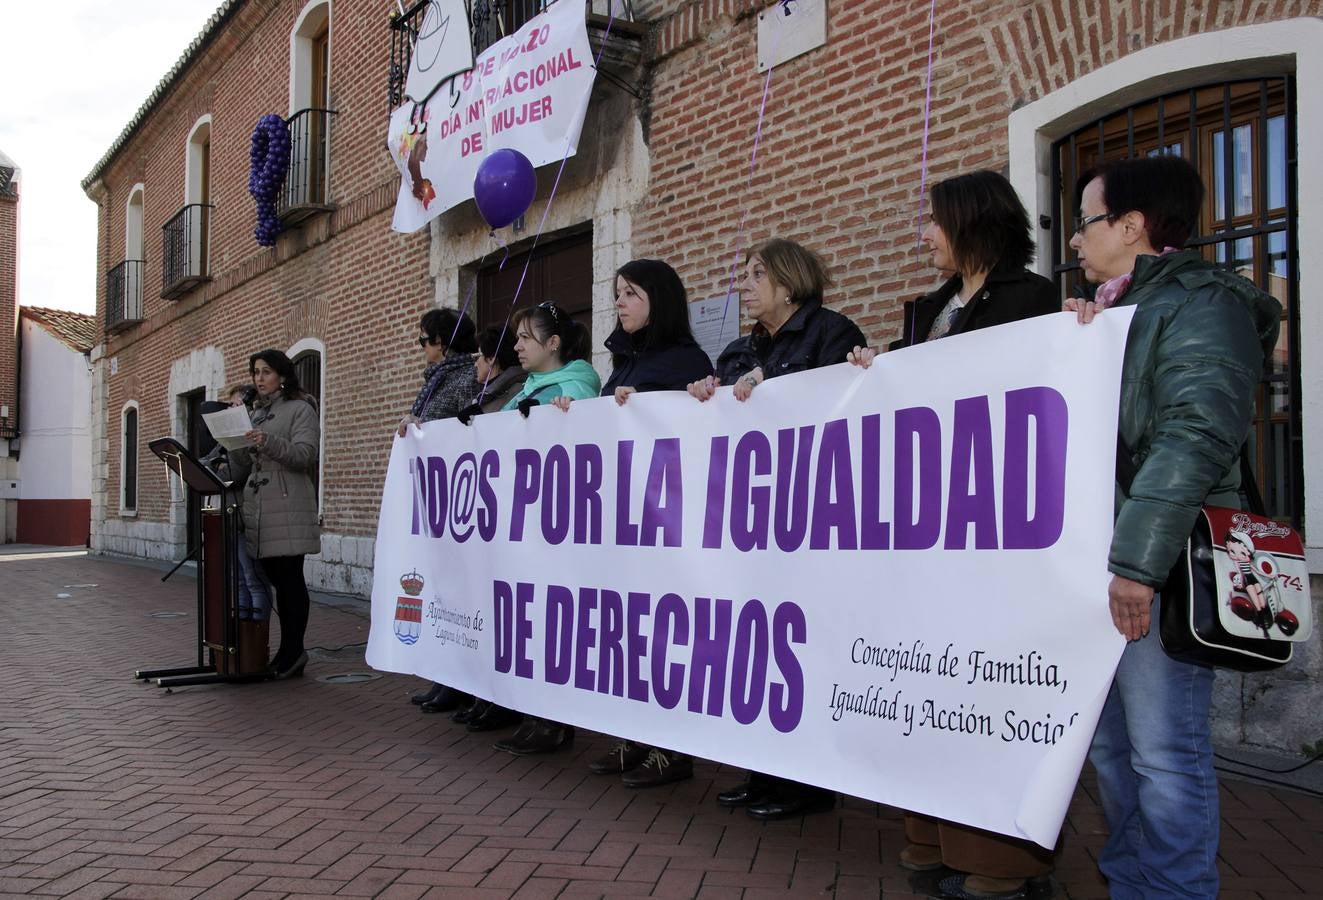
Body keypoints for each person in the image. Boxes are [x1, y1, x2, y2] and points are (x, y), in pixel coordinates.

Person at [1065, 154, 1279, 900]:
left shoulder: (1203, 306)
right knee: (1110, 747)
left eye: (1085, 221)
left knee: (1163, 751)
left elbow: (1192, 439)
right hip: (1099, 563)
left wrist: (1136, 566)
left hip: (1157, 567)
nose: (1074, 240)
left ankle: (1173, 889)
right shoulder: (1112, 311)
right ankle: (1133, 876)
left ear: (1131, 226)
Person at [847, 170, 1060, 899]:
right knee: (928, 689)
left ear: (972, 221)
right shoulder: (930, 309)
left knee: (984, 700)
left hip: (994, 535)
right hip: (927, 536)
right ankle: (931, 840)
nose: (923, 234)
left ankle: (1003, 865)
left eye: (933, 220)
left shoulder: (1033, 300)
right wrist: (874, 369)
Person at [687, 238, 865, 820]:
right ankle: (762, 770)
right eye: (745, 273)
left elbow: (844, 401)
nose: (745, 284)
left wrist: (779, 387)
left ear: (789, 284)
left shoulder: (832, 333)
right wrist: (704, 396)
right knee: (756, 650)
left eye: (757, 274)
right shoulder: (738, 349)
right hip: (751, 523)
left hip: (808, 522)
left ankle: (807, 783)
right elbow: (716, 422)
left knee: (803, 651)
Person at [550, 259, 713, 788]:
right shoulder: (622, 362)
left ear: (658, 301)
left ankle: (674, 750)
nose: (619, 302)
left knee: (668, 639)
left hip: (665, 525)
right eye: (617, 292)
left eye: (631, 293)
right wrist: (574, 414)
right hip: (622, 524)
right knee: (630, 638)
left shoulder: (687, 361)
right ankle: (635, 737)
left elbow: (697, 434)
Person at [482, 301, 600, 754]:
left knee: (554, 626)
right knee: (529, 625)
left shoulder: (577, 388)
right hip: (526, 527)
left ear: (553, 343)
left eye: (525, 338)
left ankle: (555, 721)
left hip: (560, 530)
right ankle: (533, 713)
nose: (516, 346)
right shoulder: (525, 389)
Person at [401, 307, 482, 714]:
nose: (422, 347)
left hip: (458, 503)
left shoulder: (466, 377)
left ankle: (459, 681)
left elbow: (466, 430)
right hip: (437, 503)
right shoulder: (437, 379)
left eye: (423, 339)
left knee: (459, 595)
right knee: (442, 594)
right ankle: (445, 677)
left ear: (442, 342)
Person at [226, 350, 321, 679]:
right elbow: (243, 466)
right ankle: (286, 651)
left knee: (290, 580)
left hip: (288, 503)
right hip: (260, 508)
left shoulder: (301, 408)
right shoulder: (254, 413)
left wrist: (266, 441)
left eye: (266, 372)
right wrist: (235, 440)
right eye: (255, 372)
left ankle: (293, 652)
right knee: (276, 580)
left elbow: (306, 454)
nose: (259, 378)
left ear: (282, 375)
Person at [474, 325, 527, 413]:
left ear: (491, 359)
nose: (475, 364)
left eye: (478, 356)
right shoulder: (488, 394)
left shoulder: (518, 393)